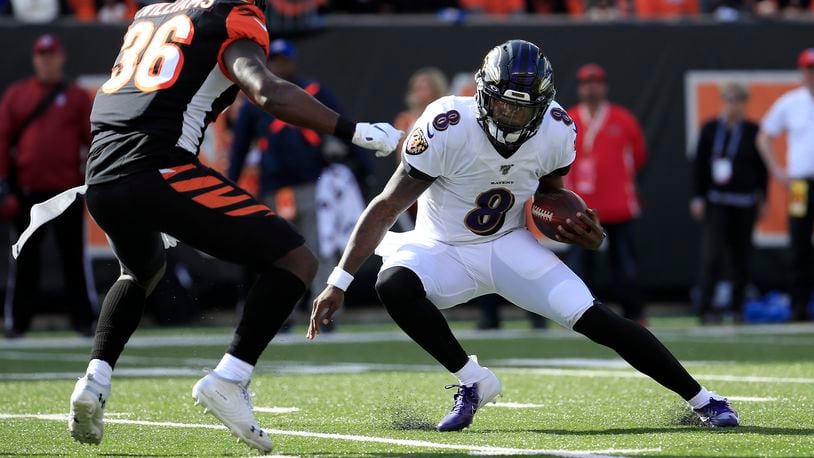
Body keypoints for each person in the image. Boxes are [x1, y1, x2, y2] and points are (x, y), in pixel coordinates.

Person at [10, 0, 401, 452]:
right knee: (296, 260)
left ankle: (93, 382)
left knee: (140, 270)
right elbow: (267, 91)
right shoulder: (231, 17)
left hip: (101, 174)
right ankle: (230, 378)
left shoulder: (151, 12)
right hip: (158, 166)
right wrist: (353, 131)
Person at [309, 39, 739, 433]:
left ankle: (705, 400)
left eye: (523, 109)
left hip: (507, 244)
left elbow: (551, 195)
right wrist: (338, 281)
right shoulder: (446, 123)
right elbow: (386, 206)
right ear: (482, 95)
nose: (512, 117)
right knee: (394, 284)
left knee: (597, 320)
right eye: (504, 106)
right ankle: (474, 380)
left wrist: (577, 229)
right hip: (439, 247)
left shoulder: (555, 129)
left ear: (543, 105)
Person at [229, 39, 373, 323]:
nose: (280, 65)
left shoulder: (313, 91)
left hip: (313, 183)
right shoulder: (254, 100)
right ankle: (281, 315)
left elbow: (344, 125)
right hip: (273, 189)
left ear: (293, 62)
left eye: (284, 60)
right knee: (280, 254)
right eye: (275, 60)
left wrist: (363, 166)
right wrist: (231, 183)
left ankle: (326, 313)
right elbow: (240, 147)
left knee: (319, 250)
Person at [0, 34, 98, 338]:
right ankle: (17, 322)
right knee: (25, 259)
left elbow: (93, 140)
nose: (47, 61)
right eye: (42, 55)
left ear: (61, 58)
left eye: (51, 55)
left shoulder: (77, 97)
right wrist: (4, 186)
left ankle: (84, 320)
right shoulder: (18, 95)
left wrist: (92, 180)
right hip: (29, 192)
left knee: (74, 259)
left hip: (66, 191)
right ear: (35, 60)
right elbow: (3, 141)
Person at [565, 63, 647, 323]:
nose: (592, 87)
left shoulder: (623, 119)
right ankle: (580, 315)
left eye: (596, 82)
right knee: (580, 267)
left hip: (618, 205)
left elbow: (639, 157)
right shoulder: (569, 119)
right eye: (586, 83)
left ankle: (634, 312)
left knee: (625, 265)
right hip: (581, 207)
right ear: (580, 88)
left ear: (605, 86)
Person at [692, 82, 767, 324]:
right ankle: (706, 309)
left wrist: (762, 196)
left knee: (741, 256)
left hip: (744, 201)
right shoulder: (711, 129)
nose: (733, 104)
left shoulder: (754, 130)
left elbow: (761, 167)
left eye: (738, 99)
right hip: (717, 200)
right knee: (712, 256)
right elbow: (699, 165)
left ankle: (736, 308)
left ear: (745, 102)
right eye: (729, 99)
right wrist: (698, 197)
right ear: (723, 100)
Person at [757, 48, 814, 322]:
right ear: (802, 72)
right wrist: (777, 171)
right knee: (799, 243)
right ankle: (799, 307)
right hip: (800, 185)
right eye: (809, 69)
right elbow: (764, 136)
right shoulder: (791, 102)